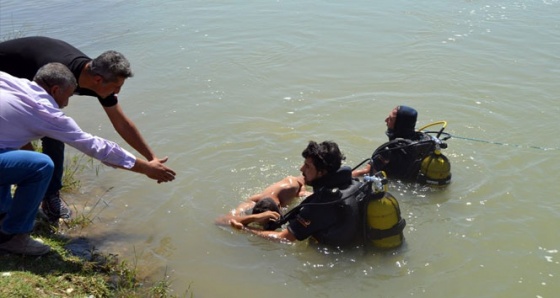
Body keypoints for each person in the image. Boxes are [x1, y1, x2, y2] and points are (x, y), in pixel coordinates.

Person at [0, 63, 176, 255]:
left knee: (9, 148)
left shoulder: (8, 80)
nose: (66, 104)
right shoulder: (46, 112)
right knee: (40, 166)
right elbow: (97, 147)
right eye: (67, 96)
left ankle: (4, 213)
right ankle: (14, 236)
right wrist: (145, 168)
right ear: (55, 90)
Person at [230, 141, 363, 247]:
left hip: (333, 255)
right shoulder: (352, 183)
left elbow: (284, 238)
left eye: (307, 166)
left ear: (322, 172)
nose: (301, 169)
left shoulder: (319, 205)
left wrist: (245, 230)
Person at [352, 105, 434, 181]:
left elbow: (365, 172)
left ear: (399, 124)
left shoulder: (390, 149)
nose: (386, 120)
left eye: (390, 119)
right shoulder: (427, 141)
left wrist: (342, 176)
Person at [215, 175, 308, 229]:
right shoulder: (254, 200)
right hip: (264, 199)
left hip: (296, 184)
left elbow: (301, 179)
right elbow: (220, 220)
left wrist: (302, 190)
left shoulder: (291, 186)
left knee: (302, 194)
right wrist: (254, 218)